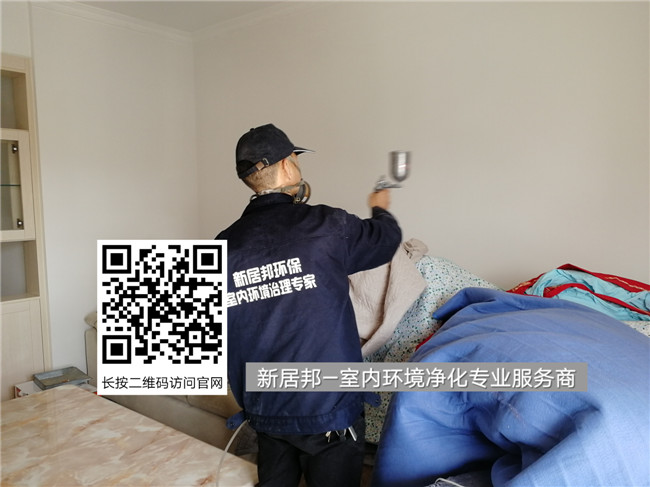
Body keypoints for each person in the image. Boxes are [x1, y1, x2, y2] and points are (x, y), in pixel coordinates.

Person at [217, 123, 402, 487]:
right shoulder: (326, 225)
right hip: (328, 410)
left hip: (265, 410)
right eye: (296, 159)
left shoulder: (222, 245)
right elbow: (385, 240)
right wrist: (380, 209)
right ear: (287, 166)